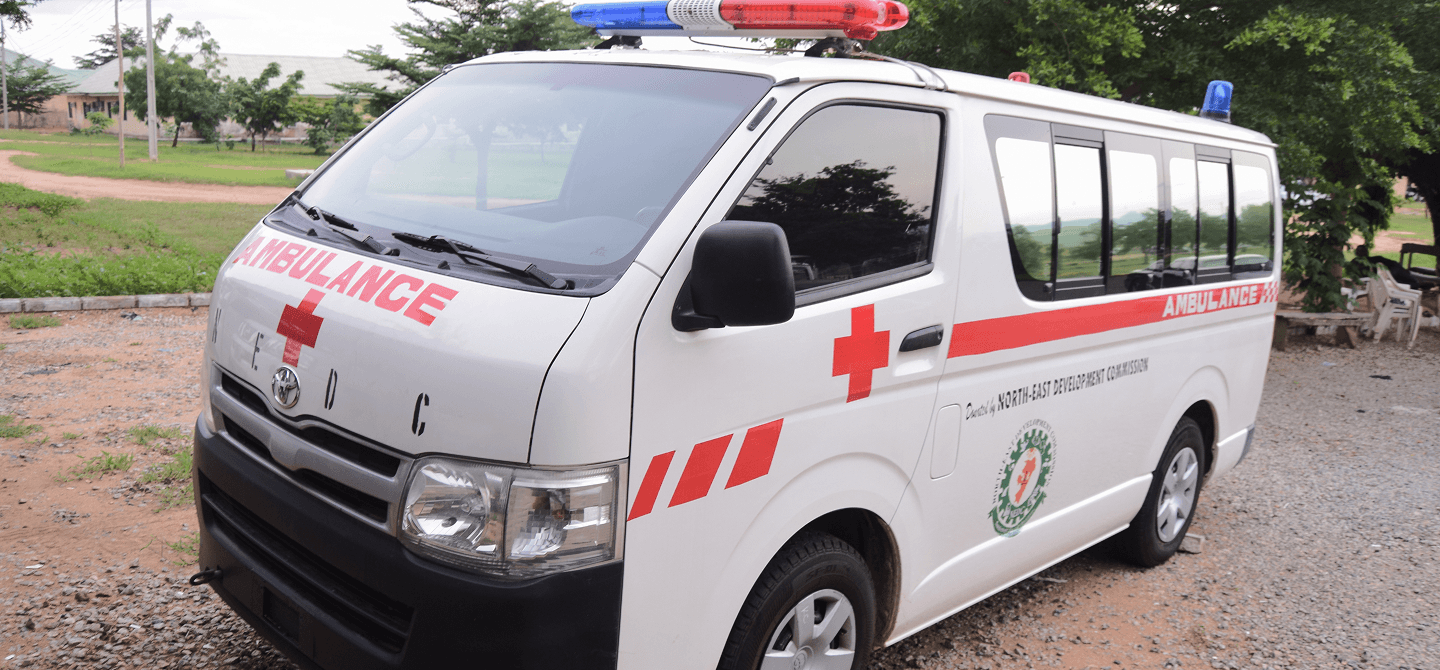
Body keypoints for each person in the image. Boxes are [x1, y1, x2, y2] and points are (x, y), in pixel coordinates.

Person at [1353, 244, 1422, 289]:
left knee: (1405, 281)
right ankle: (1418, 285)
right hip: (1388, 274)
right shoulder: (1356, 262)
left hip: (1391, 271)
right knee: (1407, 283)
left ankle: (1418, 285)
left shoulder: (1374, 259)